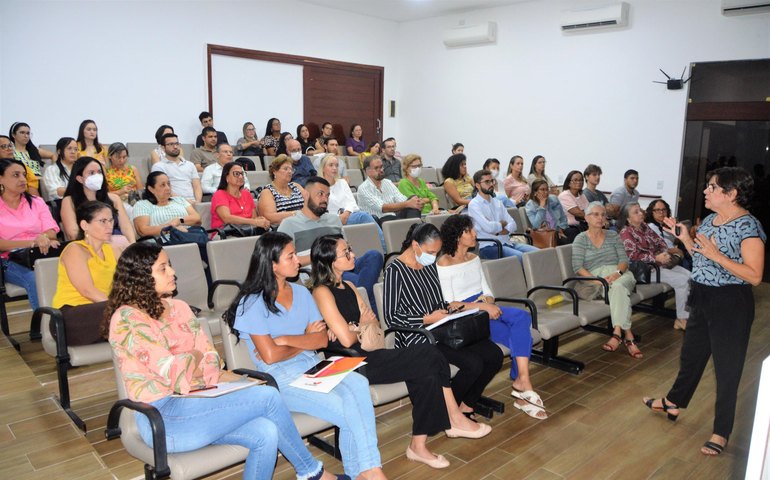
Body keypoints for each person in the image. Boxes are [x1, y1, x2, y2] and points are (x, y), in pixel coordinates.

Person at [104, 242, 346, 480]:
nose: (173, 272)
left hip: (200, 401)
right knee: (269, 396)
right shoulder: (127, 319)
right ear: (140, 277)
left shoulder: (179, 308)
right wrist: (193, 360)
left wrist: (193, 366)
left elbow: (212, 360)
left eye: (170, 265)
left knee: (266, 432)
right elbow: (175, 374)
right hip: (164, 417)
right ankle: (311, 472)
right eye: (163, 268)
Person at [310, 235, 491, 469]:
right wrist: (357, 327)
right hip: (348, 364)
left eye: (350, 249)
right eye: (346, 252)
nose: (353, 255)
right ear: (330, 261)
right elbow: (346, 338)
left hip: (368, 354)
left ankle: (419, 445)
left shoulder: (351, 286)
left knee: (426, 370)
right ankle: (453, 417)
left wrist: (355, 327)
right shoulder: (321, 292)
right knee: (429, 354)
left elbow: (373, 325)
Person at [225, 232, 387, 480]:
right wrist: (303, 339)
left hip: (314, 364)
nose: (298, 261)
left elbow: (321, 340)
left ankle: (363, 472)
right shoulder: (252, 302)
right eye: (290, 256)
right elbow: (269, 356)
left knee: (360, 383)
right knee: (348, 409)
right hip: (280, 378)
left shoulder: (301, 293)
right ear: (272, 264)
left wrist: (286, 340)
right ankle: (369, 472)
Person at [643, 167, 765, 457]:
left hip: (730, 303)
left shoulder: (748, 227)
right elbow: (700, 255)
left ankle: (721, 432)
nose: (705, 191)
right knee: (691, 357)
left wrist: (716, 255)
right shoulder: (710, 220)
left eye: (712, 187)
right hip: (703, 295)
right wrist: (684, 239)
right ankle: (674, 403)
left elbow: (755, 275)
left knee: (727, 370)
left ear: (731, 194)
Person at [384, 223, 503, 422]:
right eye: (430, 251)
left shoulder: (428, 265)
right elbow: (392, 317)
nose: (433, 256)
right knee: (472, 364)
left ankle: (465, 405)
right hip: (417, 337)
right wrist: (426, 318)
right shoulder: (396, 271)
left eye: (436, 252)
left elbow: (439, 300)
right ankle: (446, 410)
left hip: (441, 329)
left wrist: (450, 310)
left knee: (494, 355)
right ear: (415, 245)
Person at [437, 216, 546, 419]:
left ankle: (522, 381)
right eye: (469, 231)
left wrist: (486, 300)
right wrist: (482, 306)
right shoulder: (443, 263)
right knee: (523, 337)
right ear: (457, 236)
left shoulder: (474, 258)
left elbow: (487, 290)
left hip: (483, 307)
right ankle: (522, 389)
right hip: (468, 317)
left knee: (521, 318)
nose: (475, 234)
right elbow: (449, 305)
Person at [277, 177, 383, 313]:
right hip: (322, 272)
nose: (325, 199)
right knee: (361, 283)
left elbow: (345, 248)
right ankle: (367, 309)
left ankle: (361, 300)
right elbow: (281, 261)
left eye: (327, 195)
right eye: (320, 194)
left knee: (374, 255)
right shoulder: (289, 224)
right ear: (306, 194)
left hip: (345, 265)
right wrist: (321, 255)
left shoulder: (334, 220)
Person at [572, 202, 641, 358]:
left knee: (618, 286)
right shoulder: (580, 239)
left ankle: (617, 333)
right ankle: (628, 336)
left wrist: (617, 273)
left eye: (603, 214)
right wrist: (598, 281)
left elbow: (624, 260)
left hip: (621, 275)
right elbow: (578, 267)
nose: (600, 217)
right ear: (586, 218)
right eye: (595, 214)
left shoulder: (613, 235)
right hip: (598, 278)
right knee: (617, 289)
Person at [52, 201, 121, 346]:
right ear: (84, 225)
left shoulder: (113, 249)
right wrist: (120, 308)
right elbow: (87, 290)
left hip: (105, 311)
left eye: (111, 220)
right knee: (130, 313)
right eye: (103, 221)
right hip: (71, 317)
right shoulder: (75, 249)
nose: (109, 226)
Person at [0, 158, 60, 310]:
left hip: (41, 254)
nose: (22, 179)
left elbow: (51, 231)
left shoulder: (37, 202)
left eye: (23, 175)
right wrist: (33, 241)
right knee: (36, 279)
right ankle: (46, 327)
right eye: (15, 175)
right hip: (9, 260)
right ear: (0, 178)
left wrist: (44, 238)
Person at [619, 203, 691, 330]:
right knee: (682, 281)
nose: (641, 213)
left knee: (690, 276)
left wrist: (664, 253)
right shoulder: (626, 233)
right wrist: (655, 257)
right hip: (645, 271)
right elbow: (632, 256)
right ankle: (681, 318)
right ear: (628, 219)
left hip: (659, 265)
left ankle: (690, 314)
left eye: (640, 210)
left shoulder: (644, 227)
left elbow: (661, 242)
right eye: (636, 212)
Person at [60, 157, 135, 245]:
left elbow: (126, 228)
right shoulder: (69, 201)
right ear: (80, 179)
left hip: (118, 243)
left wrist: (132, 246)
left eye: (99, 172)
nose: (97, 176)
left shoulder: (114, 199)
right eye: (91, 173)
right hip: (90, 247)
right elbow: (73, 233)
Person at [468, 169, 539, 259]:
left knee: (538, 253)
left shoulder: (498, 202)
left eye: (492, 181)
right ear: (477, 185)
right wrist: (502, 224)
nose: (491, 184)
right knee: (521, 257)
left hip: (507, 242)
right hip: (489, 246)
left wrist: (501, 230)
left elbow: (513, 224)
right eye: (487, 182)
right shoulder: (474, 204)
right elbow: (489, 228)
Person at [319, 154, 385, 250]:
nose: (334, 168)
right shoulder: (319, 186)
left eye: (336, 165)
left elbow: (352, 203)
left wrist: (346, 214)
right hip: (331, 219)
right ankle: (385, 249)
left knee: (365, 217)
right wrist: (339, 217)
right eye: (331, 165)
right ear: (323, 168)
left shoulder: (342, 183)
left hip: (348, 215)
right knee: (364, 216)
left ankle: (380, 249)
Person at [132, 171, 201, 236]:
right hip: (162, 241)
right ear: (151, 189)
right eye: (162, 185)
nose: (168, 188)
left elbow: (197, 218)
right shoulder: (142, 205)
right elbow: (143, 230)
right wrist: (171, 229)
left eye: (168, 184)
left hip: (188, 236)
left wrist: (179, 220)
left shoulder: (179, 200)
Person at [357, 156, 422, 224]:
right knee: (409, 203)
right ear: (367, 171)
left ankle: (415, 230)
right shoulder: (363, 188)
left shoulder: (388, 182)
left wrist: (414, 202)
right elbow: (383, 208)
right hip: (377, 222)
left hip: (393, 217)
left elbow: (402, 200)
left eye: (381, 167)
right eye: (376, 168)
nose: (381, 170)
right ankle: (414, 230)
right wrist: (408, 203)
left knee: (413, 199)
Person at [210, 162, 270, 232]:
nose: (241, 177)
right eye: (236, 174)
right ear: (227, 177)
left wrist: (261, 221)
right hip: (226, 233)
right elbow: (227, 218)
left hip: (248, 230)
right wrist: (253, 222)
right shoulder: (219, 194)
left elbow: (254, 218)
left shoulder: (246, 194)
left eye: (242, 174)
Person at [151, 133, 202, 204]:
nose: (175, 147)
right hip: (173, 203)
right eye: (171, 144)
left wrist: (198, 202)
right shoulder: (159, 166)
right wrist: (186, 202)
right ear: (163, 147)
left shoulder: (190, 165)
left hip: (193, 202)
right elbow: (164, 190)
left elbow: (197, 186)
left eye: (177, 144)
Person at [258, 155, 307, 226]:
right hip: (282, 229)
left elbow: (310, 204)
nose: (290, 171)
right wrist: (296, 214)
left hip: (303, 224)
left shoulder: (296, 186)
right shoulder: (268, 192)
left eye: (291, 169)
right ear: (274, 171)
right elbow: (270, 217)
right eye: (286, 169)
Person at [9, 122, 54, 194]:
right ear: (13, 135)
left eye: (28, 133)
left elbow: (53, 155)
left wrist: (53, 171)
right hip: (24, 183)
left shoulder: (33, 150)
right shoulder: (10, 152)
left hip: (40, 183)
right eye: (22, 132)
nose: (26, 136)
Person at [645, 199, 691, 270]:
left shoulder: (664, 226)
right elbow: (654, 249)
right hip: (664, 258)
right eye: (657, 210)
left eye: (664, 210)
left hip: (675, 254)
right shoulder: (650, 227)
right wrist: (676, 250)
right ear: (652, 212)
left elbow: (674, 240)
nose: (661, 212)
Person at [525, 179, 569, 245]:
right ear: (535, 192)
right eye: (542, 190)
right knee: (564, 241)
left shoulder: (554, 199)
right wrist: (542, 206)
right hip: (545, 234)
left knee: (575, 234)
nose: (546, 192)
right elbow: (536, 226)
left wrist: (560, 229)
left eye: (547, 189)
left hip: (560, 229)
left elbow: (563, 218)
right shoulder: (530, 206)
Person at [558, 170, 590, 242]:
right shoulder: (564, 195)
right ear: (569, 183)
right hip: (568, 228)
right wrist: (593, 217)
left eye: (581, 180)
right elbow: (579, 213)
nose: (578, 182)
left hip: (582, 225)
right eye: (575, 180)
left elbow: (590, 210)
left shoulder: (582, 195)